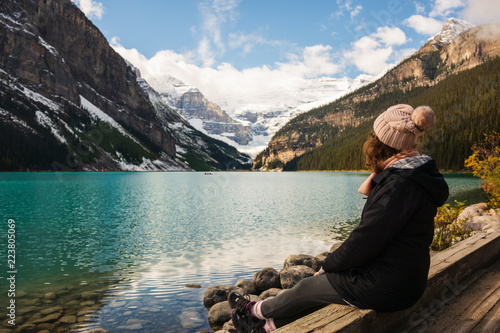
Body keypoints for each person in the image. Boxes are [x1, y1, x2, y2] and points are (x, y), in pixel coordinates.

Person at [228, 104, 450, 333]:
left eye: (375, 134)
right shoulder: (414, 174)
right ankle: (265, 328)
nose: (371, 139)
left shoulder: (399, 185)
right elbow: (378, 239)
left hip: (389, 286)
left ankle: (252, 310)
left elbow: (365, 240)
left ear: (383, 143)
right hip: (407, 279)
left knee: (307, 287)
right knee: (320, 292)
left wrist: (327, 266)